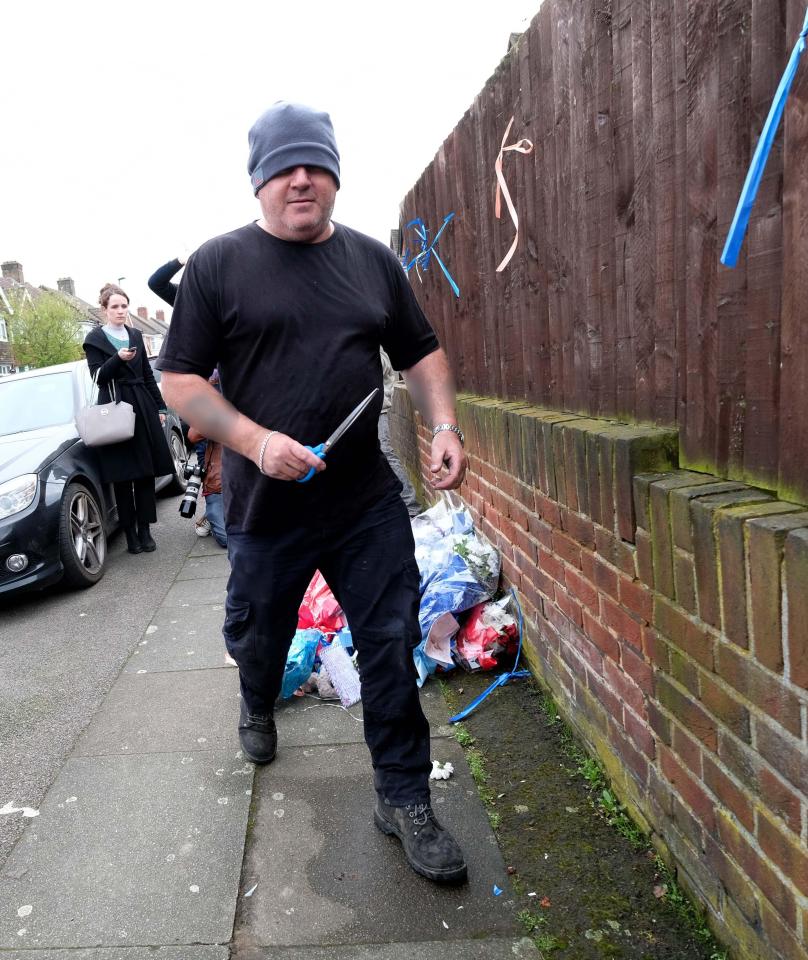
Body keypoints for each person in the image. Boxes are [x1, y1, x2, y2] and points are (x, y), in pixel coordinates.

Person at [158, 101, 469, 885]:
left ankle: (403, 799)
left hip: (364, 504)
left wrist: (443, 427)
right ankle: (257, 701)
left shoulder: (371, 262)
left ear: (334, 175)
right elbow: (180, 380)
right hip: (266, 514)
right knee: (258, 636)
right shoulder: (219, 265)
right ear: (259, 180)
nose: (302, 179)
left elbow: (422, 352)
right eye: (285, 167)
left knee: (392, 645)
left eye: (316, 166)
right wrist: (256, 442)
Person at [83, 283, 175, 554]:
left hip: (142, 408)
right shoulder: (94, 339)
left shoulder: (135, 334)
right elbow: (98, 378)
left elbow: (147, 374)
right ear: (104, 310)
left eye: (124, 306)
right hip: (115, 410)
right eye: (115, 307)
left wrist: (160, 408)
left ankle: (145, 531)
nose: (121, 311)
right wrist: (117, 359)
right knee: (124, 478)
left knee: (145, 474)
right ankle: (130, 536)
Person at [187, 376, 227, 548]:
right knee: (226, 539)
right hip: (218, 481)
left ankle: (218, 514)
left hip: (249, 480)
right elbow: (193, 435)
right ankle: (212, 514)